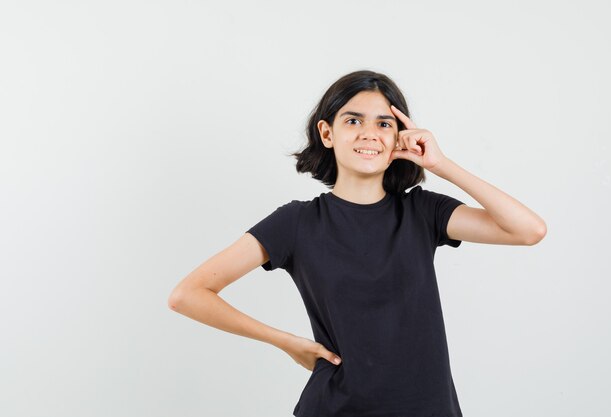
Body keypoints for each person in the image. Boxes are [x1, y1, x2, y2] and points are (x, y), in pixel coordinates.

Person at [168, 70, 547, 417]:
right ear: (327, 133)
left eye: (384, 123)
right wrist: (286, 342)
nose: (369, 133)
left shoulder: (423, 212)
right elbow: (188, 294)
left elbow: (528, 230)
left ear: (397, 135)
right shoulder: (297, 222)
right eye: (353, 120)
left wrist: (441, 165)